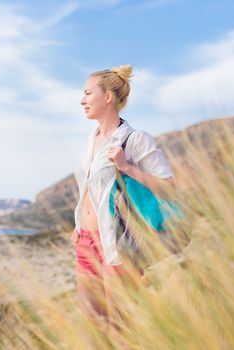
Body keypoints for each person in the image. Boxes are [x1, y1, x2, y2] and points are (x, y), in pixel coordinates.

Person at [71, 64, 176, 344]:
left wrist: (126, 167)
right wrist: (78, 226)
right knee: (93, 325)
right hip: (86, 241)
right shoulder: (90, 142)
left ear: (107, 97)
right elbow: (88, 188)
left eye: (87, 93)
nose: (82, 100)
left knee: (121, 326)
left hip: (119, 242)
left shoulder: (136, 140)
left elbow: (170, 189)